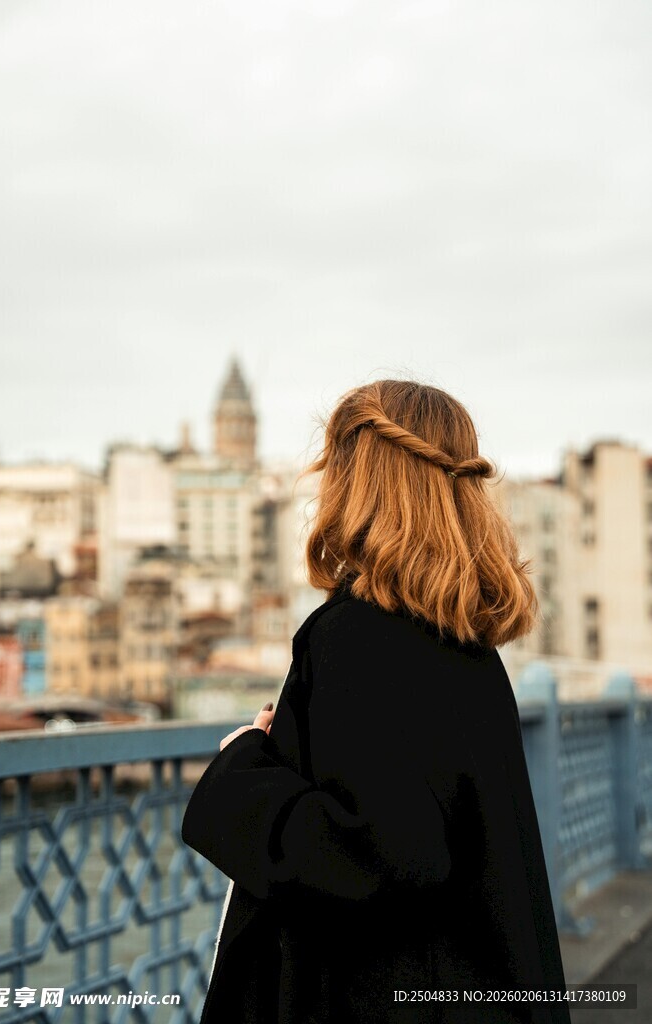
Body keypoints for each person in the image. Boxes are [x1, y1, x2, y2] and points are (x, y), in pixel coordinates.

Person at [181, 379, 572, 1024]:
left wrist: (244, 771)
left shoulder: (357, 637)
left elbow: (378, 856)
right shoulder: (467, 646)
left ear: (356, 481)